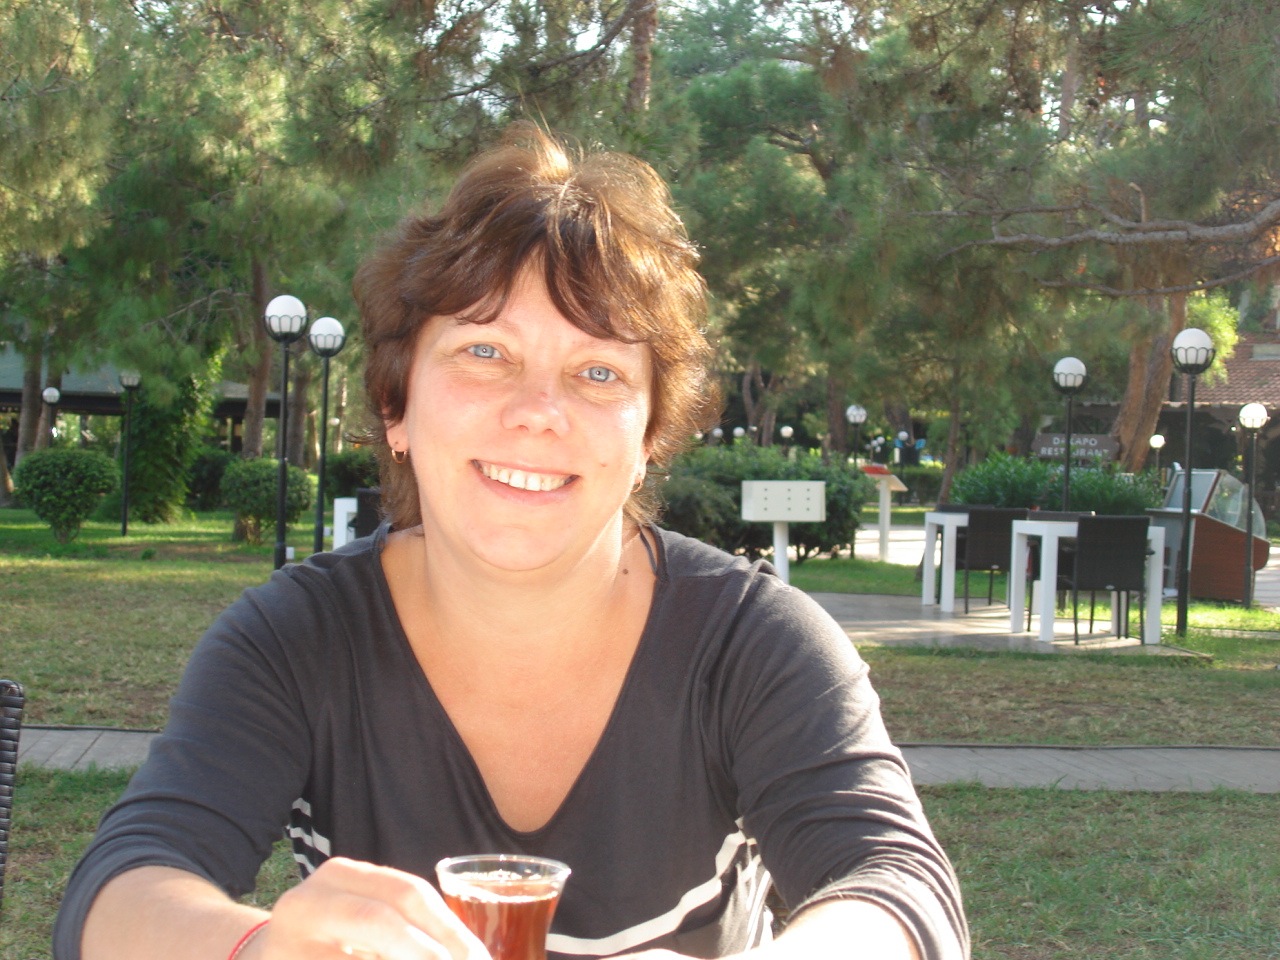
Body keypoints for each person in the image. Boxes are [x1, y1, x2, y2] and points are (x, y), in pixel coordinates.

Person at [55, 123, 968, 960]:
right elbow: (122, 889)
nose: (538, 411)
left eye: (598, 371)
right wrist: (255, 951)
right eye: (484, 352)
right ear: (396, 403)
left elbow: (899, 889)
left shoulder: (754, 642)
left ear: (649, 437)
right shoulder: (294, 639)